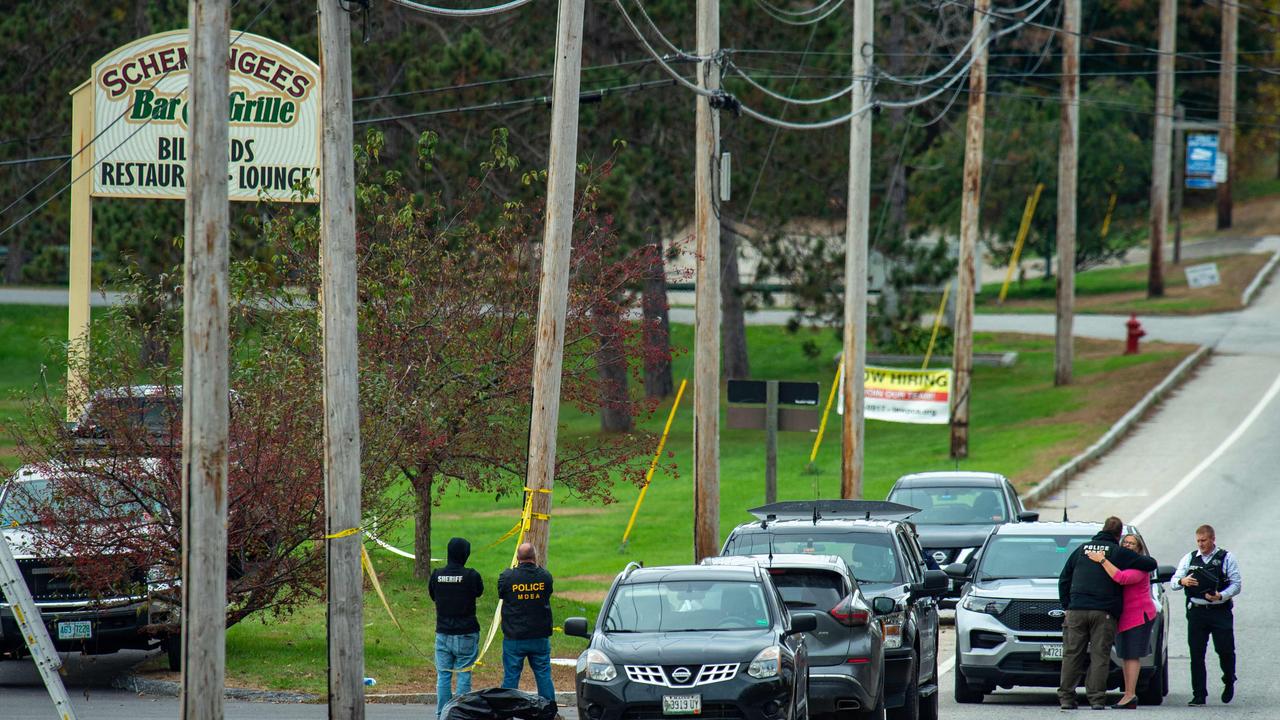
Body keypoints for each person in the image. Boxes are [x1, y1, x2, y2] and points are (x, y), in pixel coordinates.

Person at [1057, 517, 1158, 710]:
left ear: (1102, 529)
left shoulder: (1080, 550)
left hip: (1076, 610)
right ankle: (1096, 699)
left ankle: (1067, 699)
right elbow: (1150, 564)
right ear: (1118, 535)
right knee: (1099, 655)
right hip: (1103, 613)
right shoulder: (1118, 552)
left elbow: (1064, 578)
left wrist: (1067, 605)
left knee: (1071, 655)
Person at [1169, 524, 1242, 707]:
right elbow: (1173, 582)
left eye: (1204, 540)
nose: (1201, 544)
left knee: (1225, 650)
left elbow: (1236, 584)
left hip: (1220, 611)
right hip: (1197, 612)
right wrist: (1182, 580)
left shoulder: (1226, 558)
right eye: (1198, 541)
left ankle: (1229, 678)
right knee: (1196, 654)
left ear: (1212, 539)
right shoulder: (1190, 558)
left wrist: (1221, 596)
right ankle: (1199, 694)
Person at [1085, 534, 1158, 709]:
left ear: (1138, 548)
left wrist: (1102, 560)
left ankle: (1130, 695)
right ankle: (1127, 694)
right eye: (1125, 542)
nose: (1127, 545)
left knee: (1132, 655)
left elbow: (1121, 578)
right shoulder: (1121, 562)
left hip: (1139, 615)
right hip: (1125, 617)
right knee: (1125, 655)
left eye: (1132, 543)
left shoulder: (1140, 564)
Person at [428, 537, 485, 717]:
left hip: (443, 633)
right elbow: (479, 591)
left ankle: (442, 715)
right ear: (465, 555)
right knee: (463, 675)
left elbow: (432, 595)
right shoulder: (471, 575)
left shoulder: (437, 575)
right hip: (467, 632)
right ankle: (460, 715)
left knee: (443, 676)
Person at [498, 542, 555, 702]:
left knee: (511, 678)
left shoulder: (507, 577)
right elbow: (548, 593)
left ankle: (506, 711)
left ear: (517, 558)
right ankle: (548, 711)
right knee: (543, 676)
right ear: (535, 557)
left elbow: (502, 594)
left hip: (514, 637)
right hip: (539, 636)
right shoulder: (545, 577)